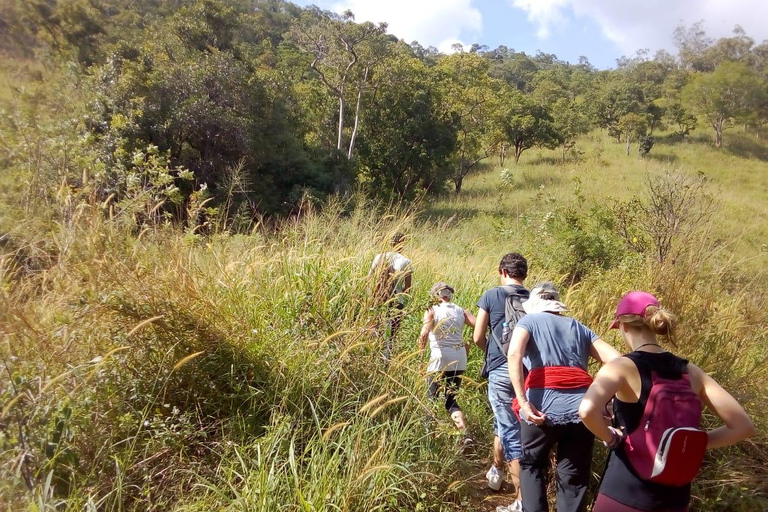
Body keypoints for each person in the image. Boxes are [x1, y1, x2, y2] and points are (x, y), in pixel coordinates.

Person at [579, 291, 756, 512]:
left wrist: (610, 438)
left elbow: (586, 411)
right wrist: (681, 445)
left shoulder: (620, 366)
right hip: (675, 499)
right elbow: (743, 426)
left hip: (625, 492)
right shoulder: (691, 371)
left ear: (623, 326)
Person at [508, 282, 620, 512]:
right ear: (557, 305)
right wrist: (606, 398)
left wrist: (524, 401)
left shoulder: (528, 321)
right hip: (583, 412)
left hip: (541, 406)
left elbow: (514, 353)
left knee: (531, 466)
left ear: (535, 305)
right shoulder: (579, 327)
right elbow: (618, 361)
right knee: (574, 476)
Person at [473, 252, 530, 510]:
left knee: (509, 430)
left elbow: (477, 336)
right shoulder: (533, 298)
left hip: (500, 369)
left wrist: (492, 354)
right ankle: (496, 473)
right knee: (504, 422)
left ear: (502, 272)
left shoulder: (491, 295)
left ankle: (521, 500)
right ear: (524, 274)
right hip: (528, 371)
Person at [418, 281, 476, 444]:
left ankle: (429, 437)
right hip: (459, 358)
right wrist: (468, 344)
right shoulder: (461, 311)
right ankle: (465, 436)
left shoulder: (432, 310)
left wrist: (421, 360)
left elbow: (423, 335)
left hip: (439, 359)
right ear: (449, 294)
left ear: (436, 295)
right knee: (451, 400)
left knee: (432, 398)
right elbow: (479, 325)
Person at [369, 232, 412, 358]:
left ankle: (372, 355)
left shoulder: (379, 257)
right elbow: (408, 287)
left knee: (374, 329)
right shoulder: (406, 261)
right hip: (396, 301)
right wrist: (399, 294)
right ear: (403, 244)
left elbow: (370, 278)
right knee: (391, 335)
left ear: (390, 243)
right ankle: (386, 358)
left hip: (377, 298)